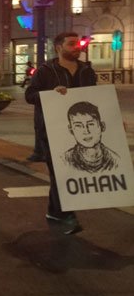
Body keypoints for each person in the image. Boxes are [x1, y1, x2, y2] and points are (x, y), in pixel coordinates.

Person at [25, 31, 97, 235]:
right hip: (51, 130)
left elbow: (95, 98)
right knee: (61, 174)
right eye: (72, 44)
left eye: (78, 43)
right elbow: (30, 95)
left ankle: (54, 211)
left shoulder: (86, 71)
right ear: (59, 47)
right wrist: (50, 94)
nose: (77, 47)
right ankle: (67, 216)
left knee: (70, 172)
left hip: (79, 132)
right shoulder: (46, 70)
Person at [62, 101, 119, 172]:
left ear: (102, 126)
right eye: (78, 126)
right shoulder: (64, 161)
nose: (86, 131)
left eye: (91, 124)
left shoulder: (116, 160)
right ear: (71, 130)